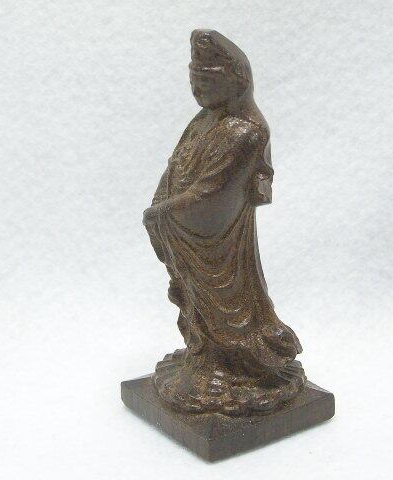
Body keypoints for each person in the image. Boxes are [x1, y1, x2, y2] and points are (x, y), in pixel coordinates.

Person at [143, 30, 305, 415]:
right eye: (193, 82)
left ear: (236, 82)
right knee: (192, 296)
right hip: (188, 232)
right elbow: (176, 164)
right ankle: (204, 357)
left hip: (217, 237)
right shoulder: (205, 119)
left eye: (206, 83)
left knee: (229, 302)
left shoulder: (245, 130)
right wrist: (160, 202)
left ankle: (235, 369)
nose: (197, 91)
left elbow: (212, 191)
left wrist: (164, 212)